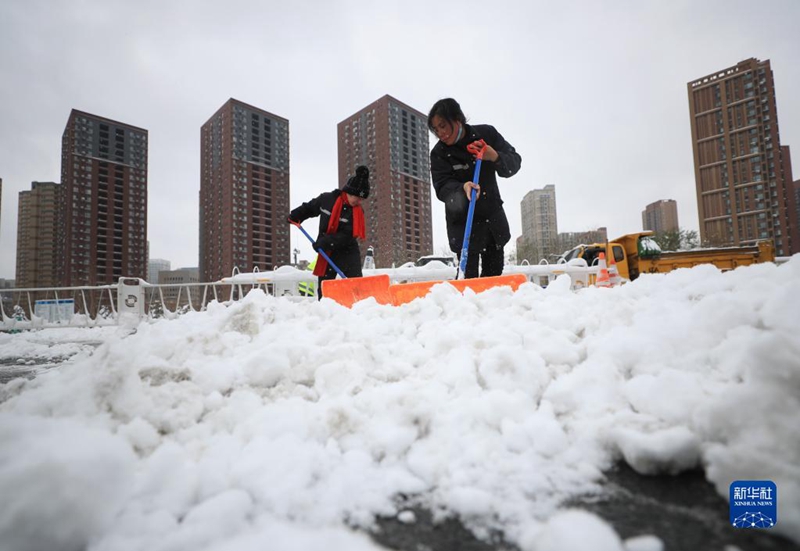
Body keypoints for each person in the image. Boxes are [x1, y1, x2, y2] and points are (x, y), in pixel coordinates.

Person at [428, 98, 522, 278]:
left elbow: (514, 163)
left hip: (492, 222)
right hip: (464, 226)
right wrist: (461, 188)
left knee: (493, 281)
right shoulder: (439, 154)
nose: (440, 133)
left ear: (457, 119)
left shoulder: (486, 134)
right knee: (466, 280)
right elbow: (441, 187)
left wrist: (494, 156)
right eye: (436, 129)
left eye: (443, 126)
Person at [288, 165, 370, 298]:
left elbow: (347, 236)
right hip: (327, 251)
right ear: (349, 192)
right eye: (358, 198)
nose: (360, 201)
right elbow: (310, 208)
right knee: (325, 289)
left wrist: (324, 242)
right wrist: (296, 215)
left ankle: (357, 312)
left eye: (362, 199)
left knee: (356, 287)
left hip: (347, 250)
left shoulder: (357, 212)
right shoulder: (327, 200)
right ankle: (326, 313)